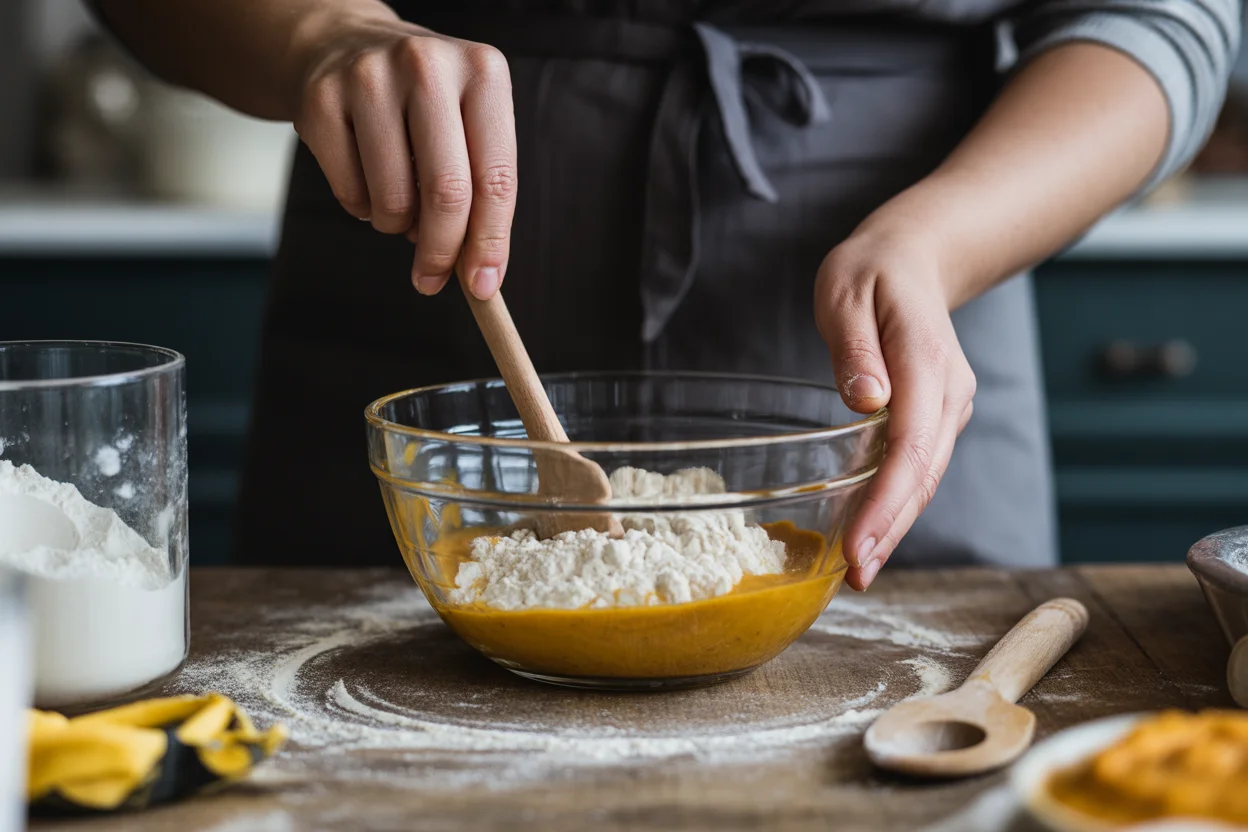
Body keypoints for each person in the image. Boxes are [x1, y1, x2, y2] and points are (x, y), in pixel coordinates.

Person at [92, 0, 1238, 589]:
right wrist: (314, 32)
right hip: (403, 292)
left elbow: (1164, 16)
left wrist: (941, 243)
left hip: (909, 324)